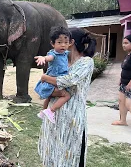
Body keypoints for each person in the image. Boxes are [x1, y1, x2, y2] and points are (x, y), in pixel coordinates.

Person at [38, 27, 96, 167]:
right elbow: (43, 90)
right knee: (53, 152)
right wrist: (49, 87)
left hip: (72, 119)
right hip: (55, 119)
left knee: (72, 156)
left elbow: (69, 81)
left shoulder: (86, 62)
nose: (61, 45)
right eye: (59, 41)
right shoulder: (62, 63)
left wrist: (45, 78)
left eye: (65, 41)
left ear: (71, 42)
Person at [34, 26, 71, 123]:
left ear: (70, 43)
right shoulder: (54, 54)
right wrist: (43, 58)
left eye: (66, 43)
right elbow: (49, 57)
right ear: (52, 43)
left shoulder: (66, 53)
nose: (63, 45)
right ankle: (51, 111)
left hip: (56, 82)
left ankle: (42, 111)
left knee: (49, 97)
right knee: (66, 96)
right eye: (59, 42)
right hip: (51, 83)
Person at [111, 34, 131, 137]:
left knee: (130, 105)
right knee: (121, 102)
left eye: (126, 43)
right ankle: (123, 121)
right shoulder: (129, 54)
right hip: (124, 83)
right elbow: (125, 68)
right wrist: (121, 80)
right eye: (123, 43)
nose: (123, 45)